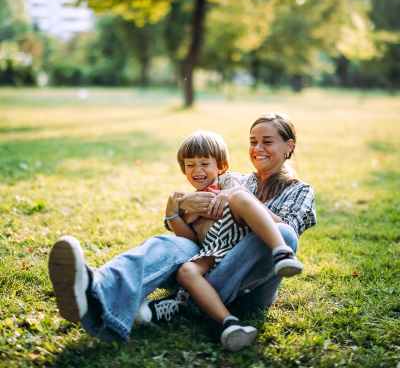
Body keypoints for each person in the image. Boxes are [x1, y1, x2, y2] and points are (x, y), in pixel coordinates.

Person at [48, 113, 316, 351]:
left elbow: (288, 229)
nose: (257, 148)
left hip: (247, 284)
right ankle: (95, 291)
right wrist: (177, 208)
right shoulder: (235, 179)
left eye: (267, 141)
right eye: (253, 141)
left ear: (288, 146)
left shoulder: (298, 190)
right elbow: (195, 232)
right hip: (207, 262)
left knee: (284, 236)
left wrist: (240, 198)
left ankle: (184, 305)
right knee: (166, 244)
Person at [139, 130, 303, 351]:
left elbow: (243, 197)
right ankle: (228, 323)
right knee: (186, 271)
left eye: (204, 163)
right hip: (213, 251)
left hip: (238, 246)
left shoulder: (229, 181)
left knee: (241, 197)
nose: (197, 170)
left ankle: (281, 252)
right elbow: (190, 240)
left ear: (221, 166)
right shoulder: (191, 204)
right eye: (190, 165)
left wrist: (226, 195)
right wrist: (176, 215)